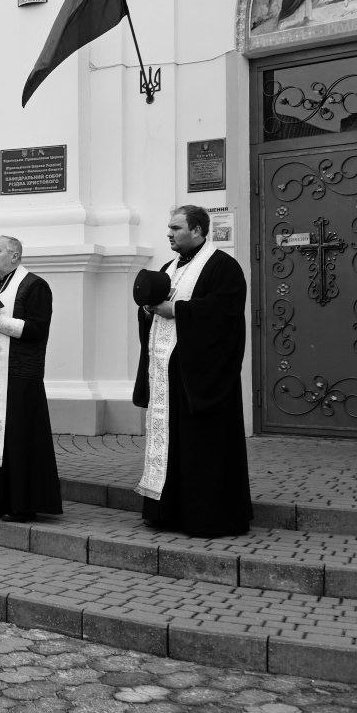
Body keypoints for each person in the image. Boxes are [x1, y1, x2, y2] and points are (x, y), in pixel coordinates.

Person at [133, 205, 252, 537]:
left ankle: (205, 517)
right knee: (171, 443)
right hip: (168, 378)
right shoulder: (169, 267)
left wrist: (177, 310)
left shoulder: (223, 267)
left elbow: (224, 315)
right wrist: (148, 311)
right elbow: (155, 311)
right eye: (168, 228)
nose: (169, 233)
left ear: (198, 230)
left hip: (201, 378)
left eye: (176, 227)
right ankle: (165, 511)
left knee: (201, 447)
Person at [0, 236, 62, 522]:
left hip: (21, 374)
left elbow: (37, 329)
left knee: (20, 439)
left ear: (15, 256)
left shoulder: (35, 286)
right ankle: (1, 498)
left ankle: (23, 504)